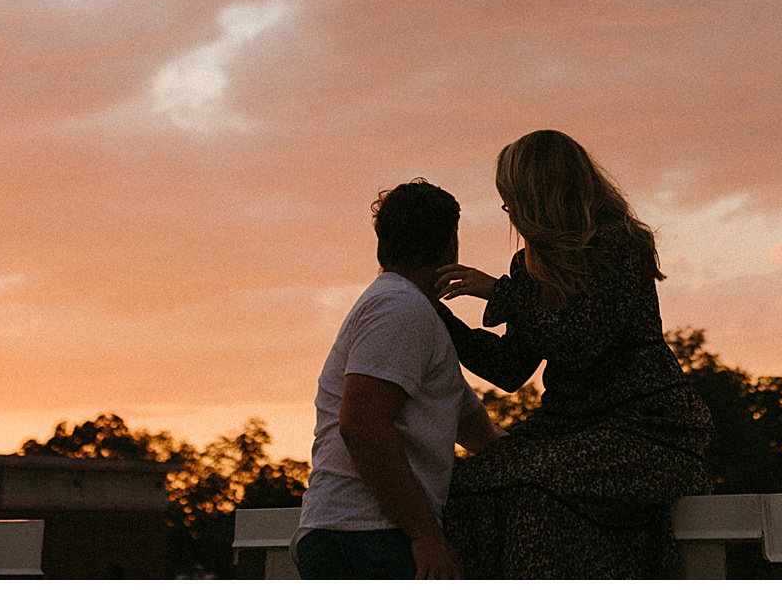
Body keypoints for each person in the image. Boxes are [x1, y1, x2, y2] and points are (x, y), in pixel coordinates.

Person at [434, 129, 715, 578]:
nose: (508, 213)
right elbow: (509, 368)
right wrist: (433, 315)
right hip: (568, 430)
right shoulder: (528, 266)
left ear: (536, 195)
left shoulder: (619, 244)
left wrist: (501, 294)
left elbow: (580, 339)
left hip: (644, 429)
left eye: (511, 200)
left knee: (538, 488)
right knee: (462, 489)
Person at [295, 179, 505, 579]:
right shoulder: (400, 309)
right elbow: (362, 424)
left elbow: (480, 434)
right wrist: (427, 535)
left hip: (363, 538)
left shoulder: (411, 314)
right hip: (366, 538)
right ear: (450, 244)